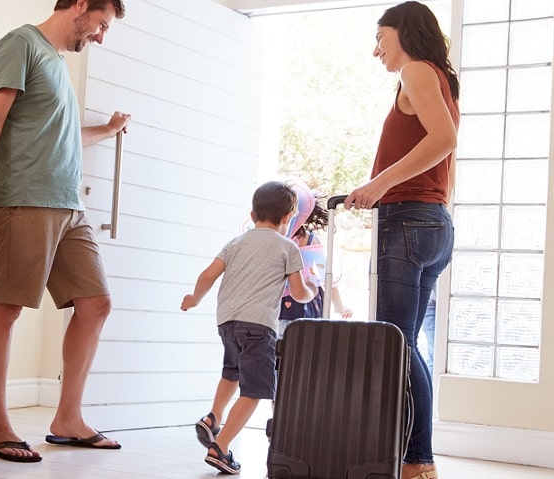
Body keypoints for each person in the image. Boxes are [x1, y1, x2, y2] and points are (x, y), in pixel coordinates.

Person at [0, 0, 129, 464]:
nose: (101, 37)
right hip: (26, 198)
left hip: (70, 204)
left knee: (96, 303)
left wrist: (107, 131)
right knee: (7, 306)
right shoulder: (20, 45)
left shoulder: (57, 65)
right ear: (82, 7)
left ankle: (67, 419)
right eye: (102, 25)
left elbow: (64, 133)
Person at [343, 2, 459, 478]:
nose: (377, 51)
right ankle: (416, 461)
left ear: (404, 33)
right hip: (431, 223)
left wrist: (378, 185)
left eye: (381, 39)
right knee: (405, 344)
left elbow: (443, 139)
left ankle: (418, 462)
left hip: (409, 220)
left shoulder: (416, 70)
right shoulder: (437, 77)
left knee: (395, 343)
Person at [181, 181, 315, 475]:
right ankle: (221, 446)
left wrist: (194, 298)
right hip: (258, 326)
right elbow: (297, 290)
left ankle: (213, 417)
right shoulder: (288, 247)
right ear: (288, 217)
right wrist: (312, 292)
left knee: (232, 372)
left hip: (227, 322)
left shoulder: (236, 242)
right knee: (254, 390)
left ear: (252, 214)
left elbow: (208, 274)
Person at [278, 181, 353, 333]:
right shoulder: (301, 239)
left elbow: (325, 275)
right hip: (294, 303)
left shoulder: (302, 240)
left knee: (284, 348)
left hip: (297, 302)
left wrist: (339, 306)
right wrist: (339, 306)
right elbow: (326, 276)